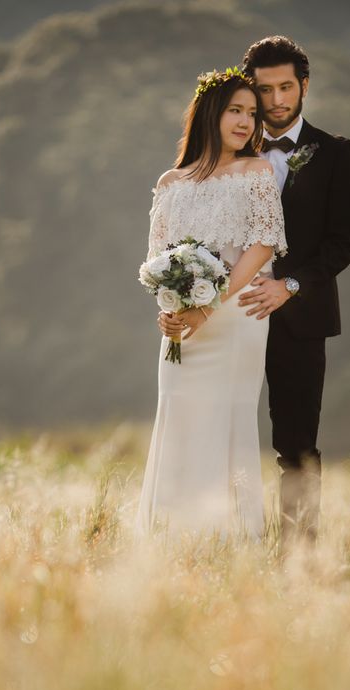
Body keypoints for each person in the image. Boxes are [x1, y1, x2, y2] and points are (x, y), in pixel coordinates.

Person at [135, 68, 287, 540]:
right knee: (178, 415)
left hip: (236, 318)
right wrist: (168, 309)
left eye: (251, 113)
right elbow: (158, 258)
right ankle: (172, 537)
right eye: (234, 111)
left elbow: (264, 245)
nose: (245, 122)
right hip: (182, 328)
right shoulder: (170, 181)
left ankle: (230, 539)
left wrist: (210, 304)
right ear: (209, 114)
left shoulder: (256, 170)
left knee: (228, 418)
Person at [239, 36, 350, 544]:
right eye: (264, 89)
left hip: (301, 317)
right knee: (226, 435)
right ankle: (226, 537)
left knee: (296, 443)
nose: (276, 100)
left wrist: (289, 286)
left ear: (304, 85)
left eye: (286, 86)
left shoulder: (335, 153)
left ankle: (300, 551)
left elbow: (343, 244)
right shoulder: (229, 148)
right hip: (234, 315)